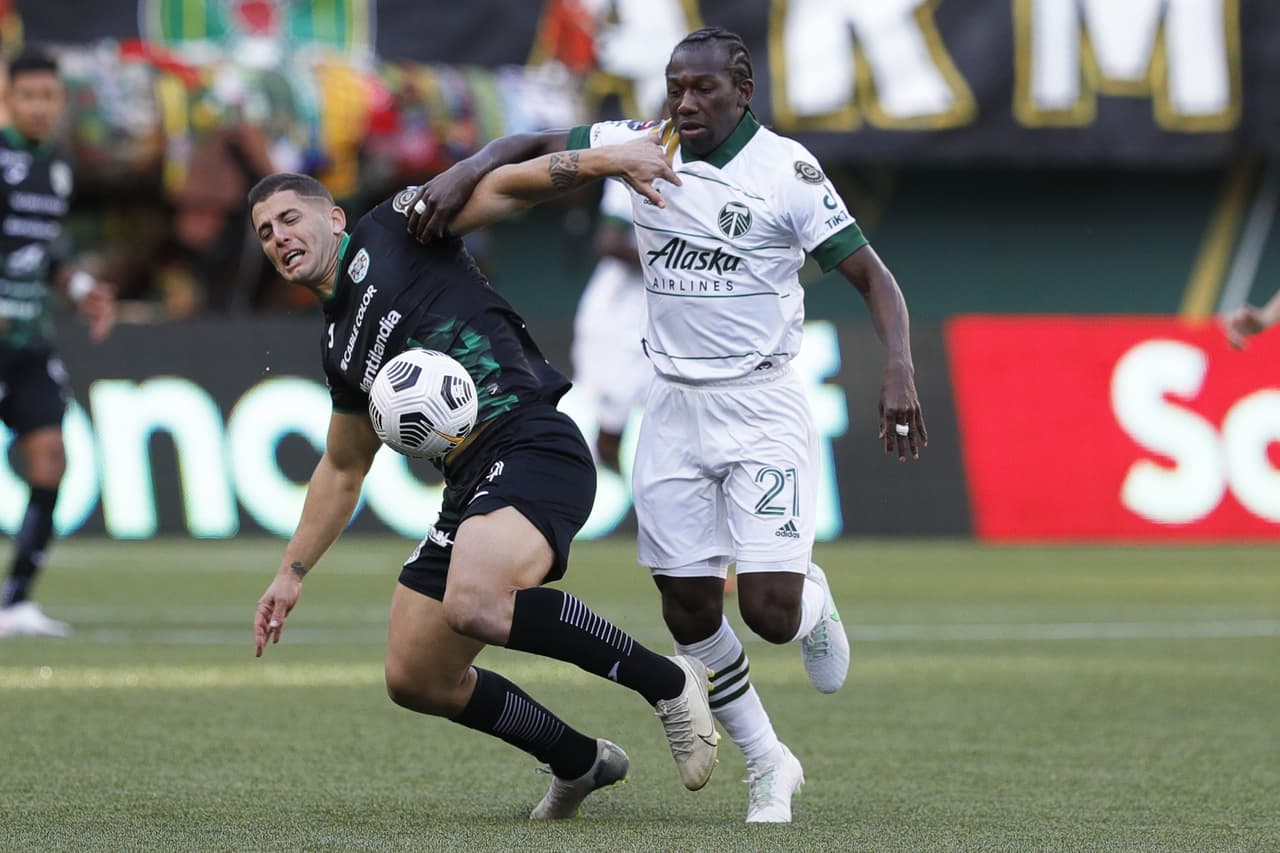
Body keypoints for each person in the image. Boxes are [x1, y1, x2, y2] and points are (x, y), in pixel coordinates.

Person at [406, 26, 926, 823]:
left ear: (743, 91)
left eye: (703, 88)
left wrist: (898, 372)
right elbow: (536, 140)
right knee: (687, 611)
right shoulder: (644, 145)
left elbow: (873, 277)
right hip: (674, 403)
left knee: (769, 614)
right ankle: (767, 761)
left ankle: (810, 600)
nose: (684, 101)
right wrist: (466, 168)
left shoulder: (787, 172)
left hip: (762, 404)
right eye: (675, 85)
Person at [248, 136, 719, 820]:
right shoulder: (337, 344)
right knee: (415, 674)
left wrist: (609, 161)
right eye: (265, 232)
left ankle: (668, 679)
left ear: (335, 218)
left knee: (474, 602)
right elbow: (344, 467)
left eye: (290, 217)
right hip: (469, 486)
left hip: (532, 442)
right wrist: (291, 573)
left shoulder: (394, 227)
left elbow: (512, 185)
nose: (279, 236)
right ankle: (577, 759)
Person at [0, 50, 116, 639]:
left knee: (51, 458)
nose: (40, 106)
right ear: (8, 98)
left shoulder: (58, 169)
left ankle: (15, 601)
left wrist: (83, 288)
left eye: (49, 96)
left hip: (28, 339)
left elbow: (43, 255)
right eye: (30, 96)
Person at [571, 178, 649, 472]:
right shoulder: (636, 171)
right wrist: (680, 266)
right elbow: (609, 241)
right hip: (617, 321)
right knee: (606, 433)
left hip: (659, 320)